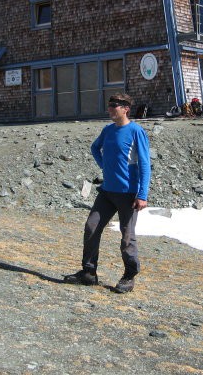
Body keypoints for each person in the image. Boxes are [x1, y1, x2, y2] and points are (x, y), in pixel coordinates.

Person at [64, 94, 151, 293]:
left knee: (127, 236)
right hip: (107, 192)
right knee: (91, 227)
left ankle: (129, 276)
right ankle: (88, 272)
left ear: (126, 108)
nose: (110, 109)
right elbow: (95, 148)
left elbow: (145, 164)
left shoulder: (136, 131)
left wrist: (142, 195)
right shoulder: (108, 130)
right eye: (109, 106)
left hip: (128, 194)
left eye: (114, 106)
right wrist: (105, 166)